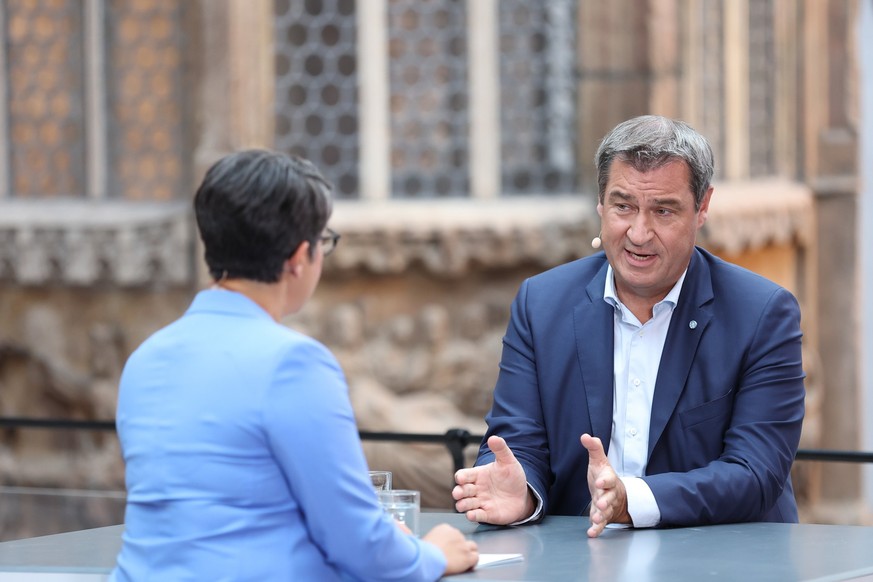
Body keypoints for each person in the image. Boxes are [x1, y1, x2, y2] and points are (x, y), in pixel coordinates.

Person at [111, 150, 478, 580]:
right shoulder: (294, 364)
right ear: (299, 257)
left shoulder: (146, 358)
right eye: (325, 242)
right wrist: (430, 553)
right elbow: (360, 543)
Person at [452, 115, 805, 538]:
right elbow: (518, 442)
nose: (639, 233)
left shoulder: (762, 313)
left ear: (702, 207)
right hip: (580, 560)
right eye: (623, 206)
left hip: (721, 560)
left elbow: (755, 473)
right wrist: (522, 492)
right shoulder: (541, 303)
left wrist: (630, 501)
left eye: (663, 210)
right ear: (600, 204)